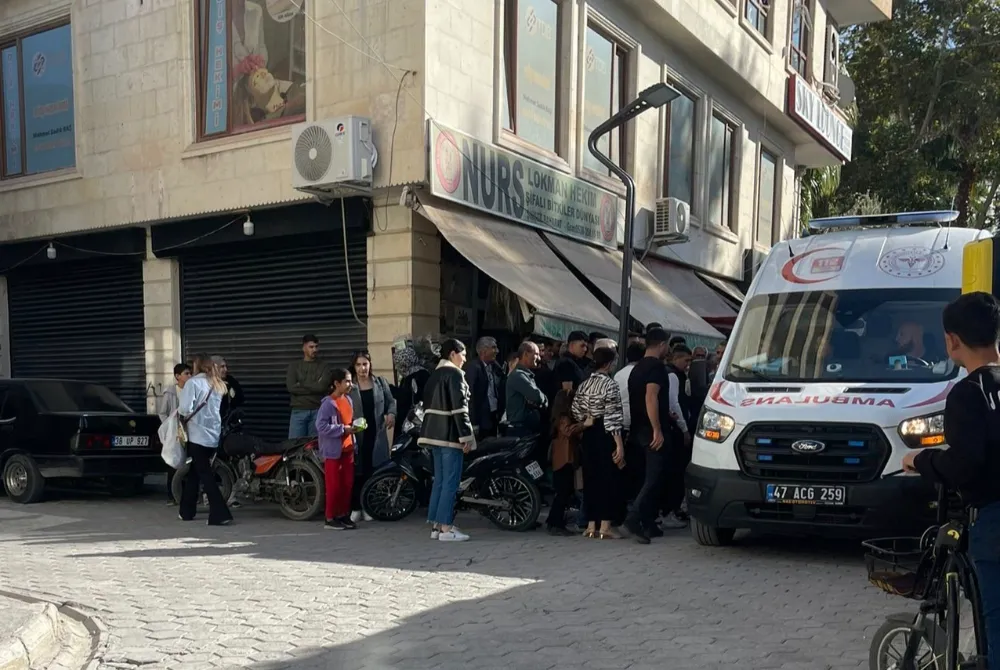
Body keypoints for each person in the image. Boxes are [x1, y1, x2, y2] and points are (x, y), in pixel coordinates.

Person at [902, 292, 1000, 670]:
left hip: (991, 519)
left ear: (952, 340)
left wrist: (921, 459)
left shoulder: (967, 393)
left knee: (995, 616)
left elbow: (965, 463)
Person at [419, 339, 476, 542]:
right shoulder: (454, 374)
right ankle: (446, 528)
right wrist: (467, 436)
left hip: (432, 435)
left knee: (440, 482)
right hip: (450, 436)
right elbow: (460, 409)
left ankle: (436, 526)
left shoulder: (434, 375)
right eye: (463, 354)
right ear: (452, 354)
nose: (465, 359)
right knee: (450, 482)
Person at [623, 328, 672, 544]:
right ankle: (633, 518)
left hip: (637, 429)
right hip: (650, 430)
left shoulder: (636, 369)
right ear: (662, 345)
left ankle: (648, 522)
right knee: (654, 477)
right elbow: (651, 397)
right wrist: (657, 428)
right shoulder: (656, 368)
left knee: (648, 476)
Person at [571, 347, 626, 539]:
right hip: (605, 434)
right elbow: (613, 416)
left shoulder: (585, 384)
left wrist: (587, 418)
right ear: (609, 364)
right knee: (608, 480)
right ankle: (605, 526)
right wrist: (619, 444)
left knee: (591, 479)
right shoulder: (610, 385)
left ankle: (591, 525)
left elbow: (576, 411)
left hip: (589, 433)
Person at [177, 354, 233, 526]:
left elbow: (185, 409)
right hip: (212, 436)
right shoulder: (217, 384)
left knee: (205, 474)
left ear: (197, 366)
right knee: (195, 472)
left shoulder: (193, 383)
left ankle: (220, 513)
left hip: (197, 435)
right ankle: (186, 511)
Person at [348, 351, 397, 523]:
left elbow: (391, 401)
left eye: (365, 364)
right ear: (354, 367)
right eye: (359, 365)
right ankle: (355, 507)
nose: (363, 368)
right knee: (357, 471)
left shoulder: (380, 382)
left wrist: (391, 413)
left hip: (376, 433)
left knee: (374, 471)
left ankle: (369, 507)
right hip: (356, 435)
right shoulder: (350, 386)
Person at [316, 368, 359, 531]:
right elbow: (321, 426)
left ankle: (343, 515)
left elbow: (349, 420)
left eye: (350, 381)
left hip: (348, 449)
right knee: (334, 486)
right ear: (336, 383)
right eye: (347, 381)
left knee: (347, 484)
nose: (350, 384)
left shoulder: (348, 400)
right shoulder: (328, 404)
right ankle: (330, 517)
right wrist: (343, 429)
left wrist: (354, 427)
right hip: (333, 451)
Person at [547, 390, 588, 536]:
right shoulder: (564, 419)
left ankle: (553, 521)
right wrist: (583, 425)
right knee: (563, 493)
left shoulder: (557, 418)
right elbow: (568, 433)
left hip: (561, 460)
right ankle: (556, 523)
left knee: (563, 493)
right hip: (565, 459)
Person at [662, 345, 694, 528]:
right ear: (676, 359)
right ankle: (669, 510)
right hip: (675, 430)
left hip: (673, 428)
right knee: (675, 472)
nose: (688, 365)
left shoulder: (676, 375)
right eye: (686, 360)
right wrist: (684, 429)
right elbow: (674, 402)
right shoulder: (673, 375)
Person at [614, 342, 646, 501]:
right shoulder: (642, 373)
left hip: (620, 423)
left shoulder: (618, 374)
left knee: (622, 465)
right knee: (638, 467)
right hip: (637, 424)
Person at [286, 334, 332, 438]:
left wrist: (301, 384)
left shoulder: (323, 366)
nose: (314, 349)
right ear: (304, 348)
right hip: (299, 411)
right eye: (311, 347)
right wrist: (315, 385)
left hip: (317, 411)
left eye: (316, 346)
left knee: (314, 446)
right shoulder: (294, 366)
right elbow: (291, 387)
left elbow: (322, 387)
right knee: (294, 446)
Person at [158, 362, 191, 505]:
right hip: (174, 433)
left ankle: (185, 494)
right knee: (173, 462)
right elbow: (162, 412)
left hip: (188, 431)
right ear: (178, 376)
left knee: (187, 462)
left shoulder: (191, 390)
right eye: (186, 374)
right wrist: (170, 426)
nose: (189, 376)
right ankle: (171, 495)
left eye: (190, 373)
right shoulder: (170, 392)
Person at [505, 341, 548, 438]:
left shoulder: (525, 375)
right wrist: (542, 400)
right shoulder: (518, 375)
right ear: (525, 354)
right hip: (520, 430)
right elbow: (537, 397)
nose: (539, 358)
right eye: (536, 354)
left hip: (525, 428)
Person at [465, 337, 505, 438]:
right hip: (481, 417)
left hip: (494, 413)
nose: (497, 351)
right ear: (483, 350)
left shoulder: (495, 366)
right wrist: (473, 422)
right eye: (494, 348)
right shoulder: (473, 368)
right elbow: (471, 395)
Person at [212, 356, 244, 421]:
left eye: (226, 366)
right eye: (222, 367)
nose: (225, 370)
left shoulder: (231, 381)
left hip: (228, 422)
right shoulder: (206, 383)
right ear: (214, 367)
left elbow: (240, 398)